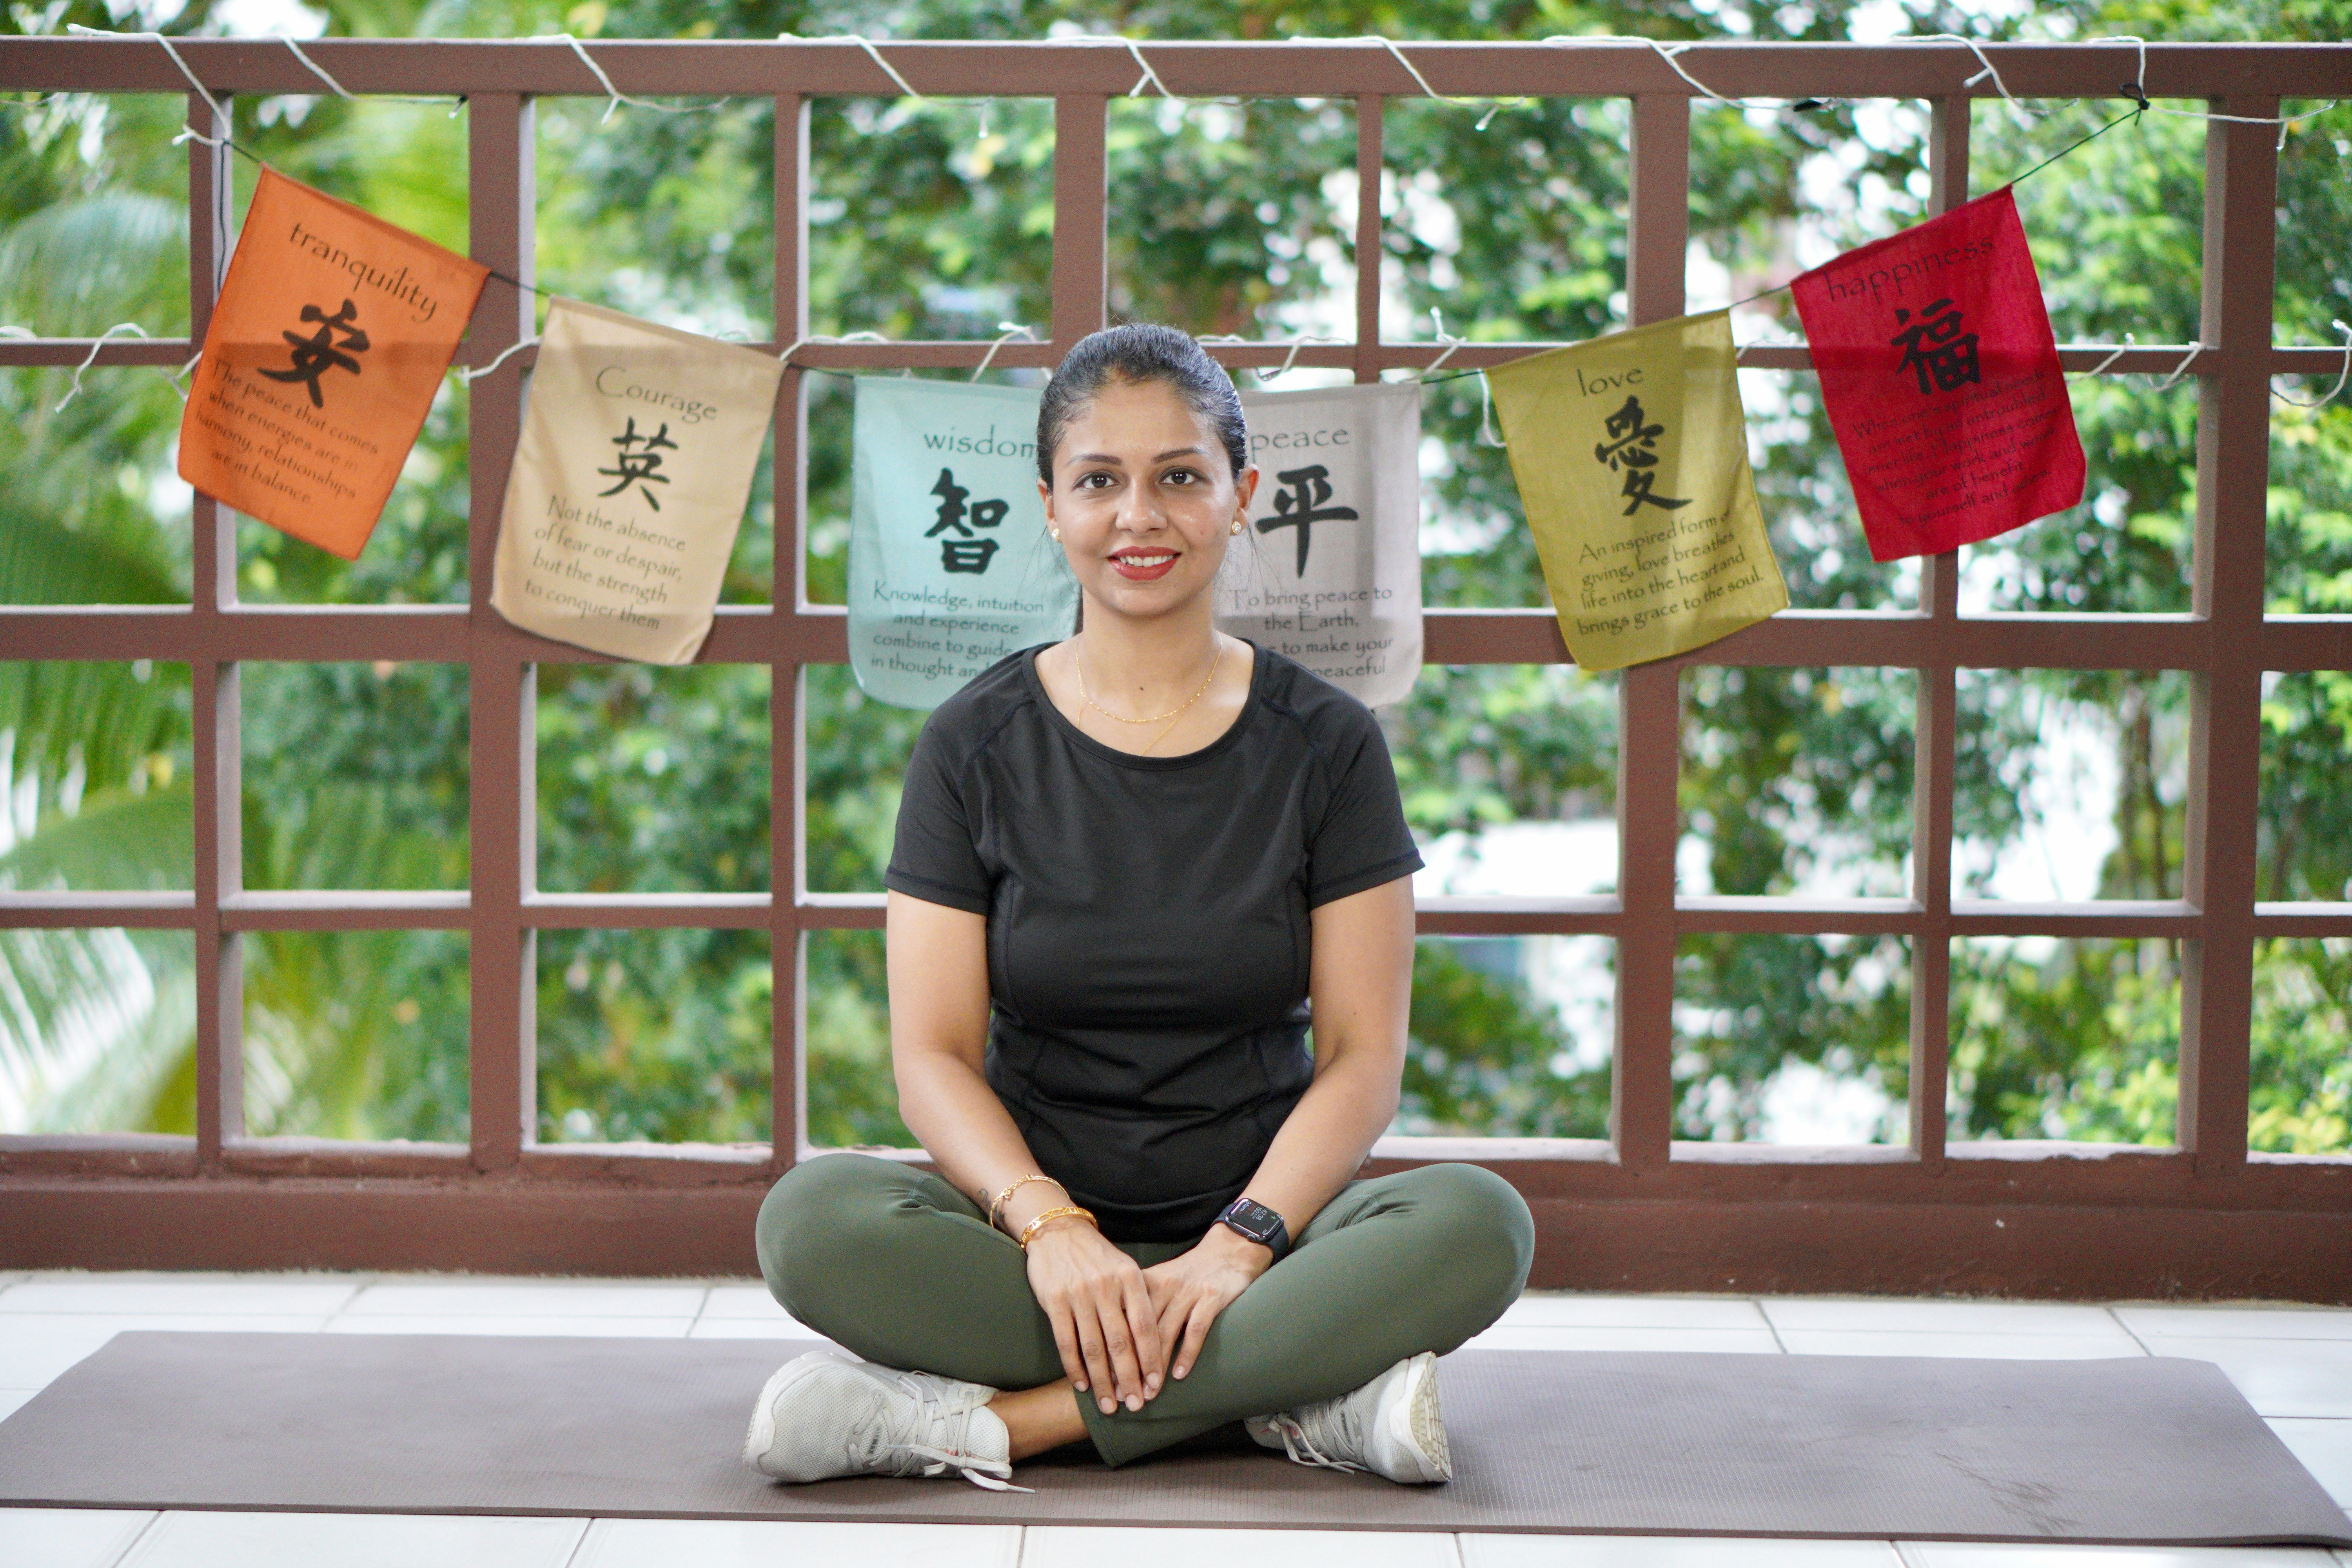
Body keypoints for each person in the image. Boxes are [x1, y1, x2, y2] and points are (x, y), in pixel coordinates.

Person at [744, 323, 1534, 1491]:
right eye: (1100, 481)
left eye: (1180, 477)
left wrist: (1242, 1247)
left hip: (1273, 1233)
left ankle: (995, 1428)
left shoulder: (1329, 745)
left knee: (1481, 1222)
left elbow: (1364, 1059)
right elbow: (934, 1057)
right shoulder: (972, 744)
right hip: (1025, 1245)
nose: (1139, 515)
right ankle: (1290, 1397)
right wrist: (1054, 1230)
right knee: (812, 1221)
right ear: (1051, 506)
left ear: (1241, 494)